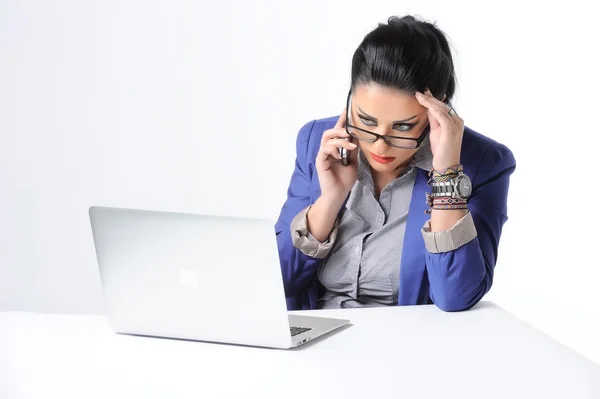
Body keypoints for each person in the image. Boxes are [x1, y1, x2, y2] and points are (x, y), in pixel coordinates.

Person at [275, 15, 516, 312]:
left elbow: (456, 296)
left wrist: (446, 177)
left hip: (406, 347)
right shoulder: (317, 142)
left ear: (437, 109)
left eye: (402, 127)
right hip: (316, 339)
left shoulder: (483, 164)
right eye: (366, 120)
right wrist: (330, 200)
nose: (380, 144)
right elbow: (277, 282)